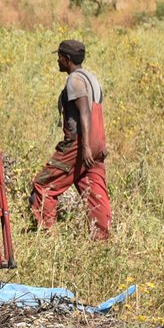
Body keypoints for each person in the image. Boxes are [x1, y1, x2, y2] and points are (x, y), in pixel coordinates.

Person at [30, 39, 111, 241]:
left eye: (59, 57)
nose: (57, 61)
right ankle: (101, 241)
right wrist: (96, 144)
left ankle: (48, 238)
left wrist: (84, 147)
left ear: (67, 59)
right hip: (98, 141)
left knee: (44, 185)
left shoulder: (74, 80)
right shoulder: (92, 78)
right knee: (94, 191)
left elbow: (84, 112)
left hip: (80, 143)